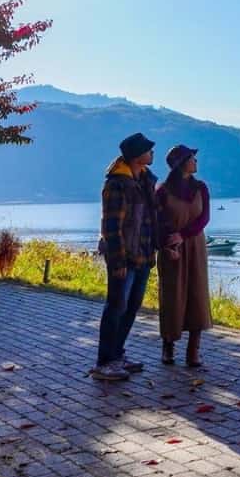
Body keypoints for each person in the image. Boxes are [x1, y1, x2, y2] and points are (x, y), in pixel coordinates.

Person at [92, 132, 158, 382]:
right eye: (148, 149)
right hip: (124, 257)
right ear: (136, 155)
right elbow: (111, 226)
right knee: (116, 307)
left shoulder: (144, 181)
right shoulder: (117, 184)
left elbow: (150, 220)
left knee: (131, 307)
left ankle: (117, 355)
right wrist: (117, 261)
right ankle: (104, 362)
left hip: (143, 255)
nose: (152, 153)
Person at [157, 145, 212, 368]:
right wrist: (166, 243)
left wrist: (184, 234)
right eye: (192, 158)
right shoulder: (162, 191)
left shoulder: (201, 188)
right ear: (182, 163)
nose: (196, 162)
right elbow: (157, 221)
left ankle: (193, 351)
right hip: (172, 248)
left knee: (197, 294)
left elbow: (204, 218)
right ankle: (168, 345)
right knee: (172, 296)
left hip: (195, 244)